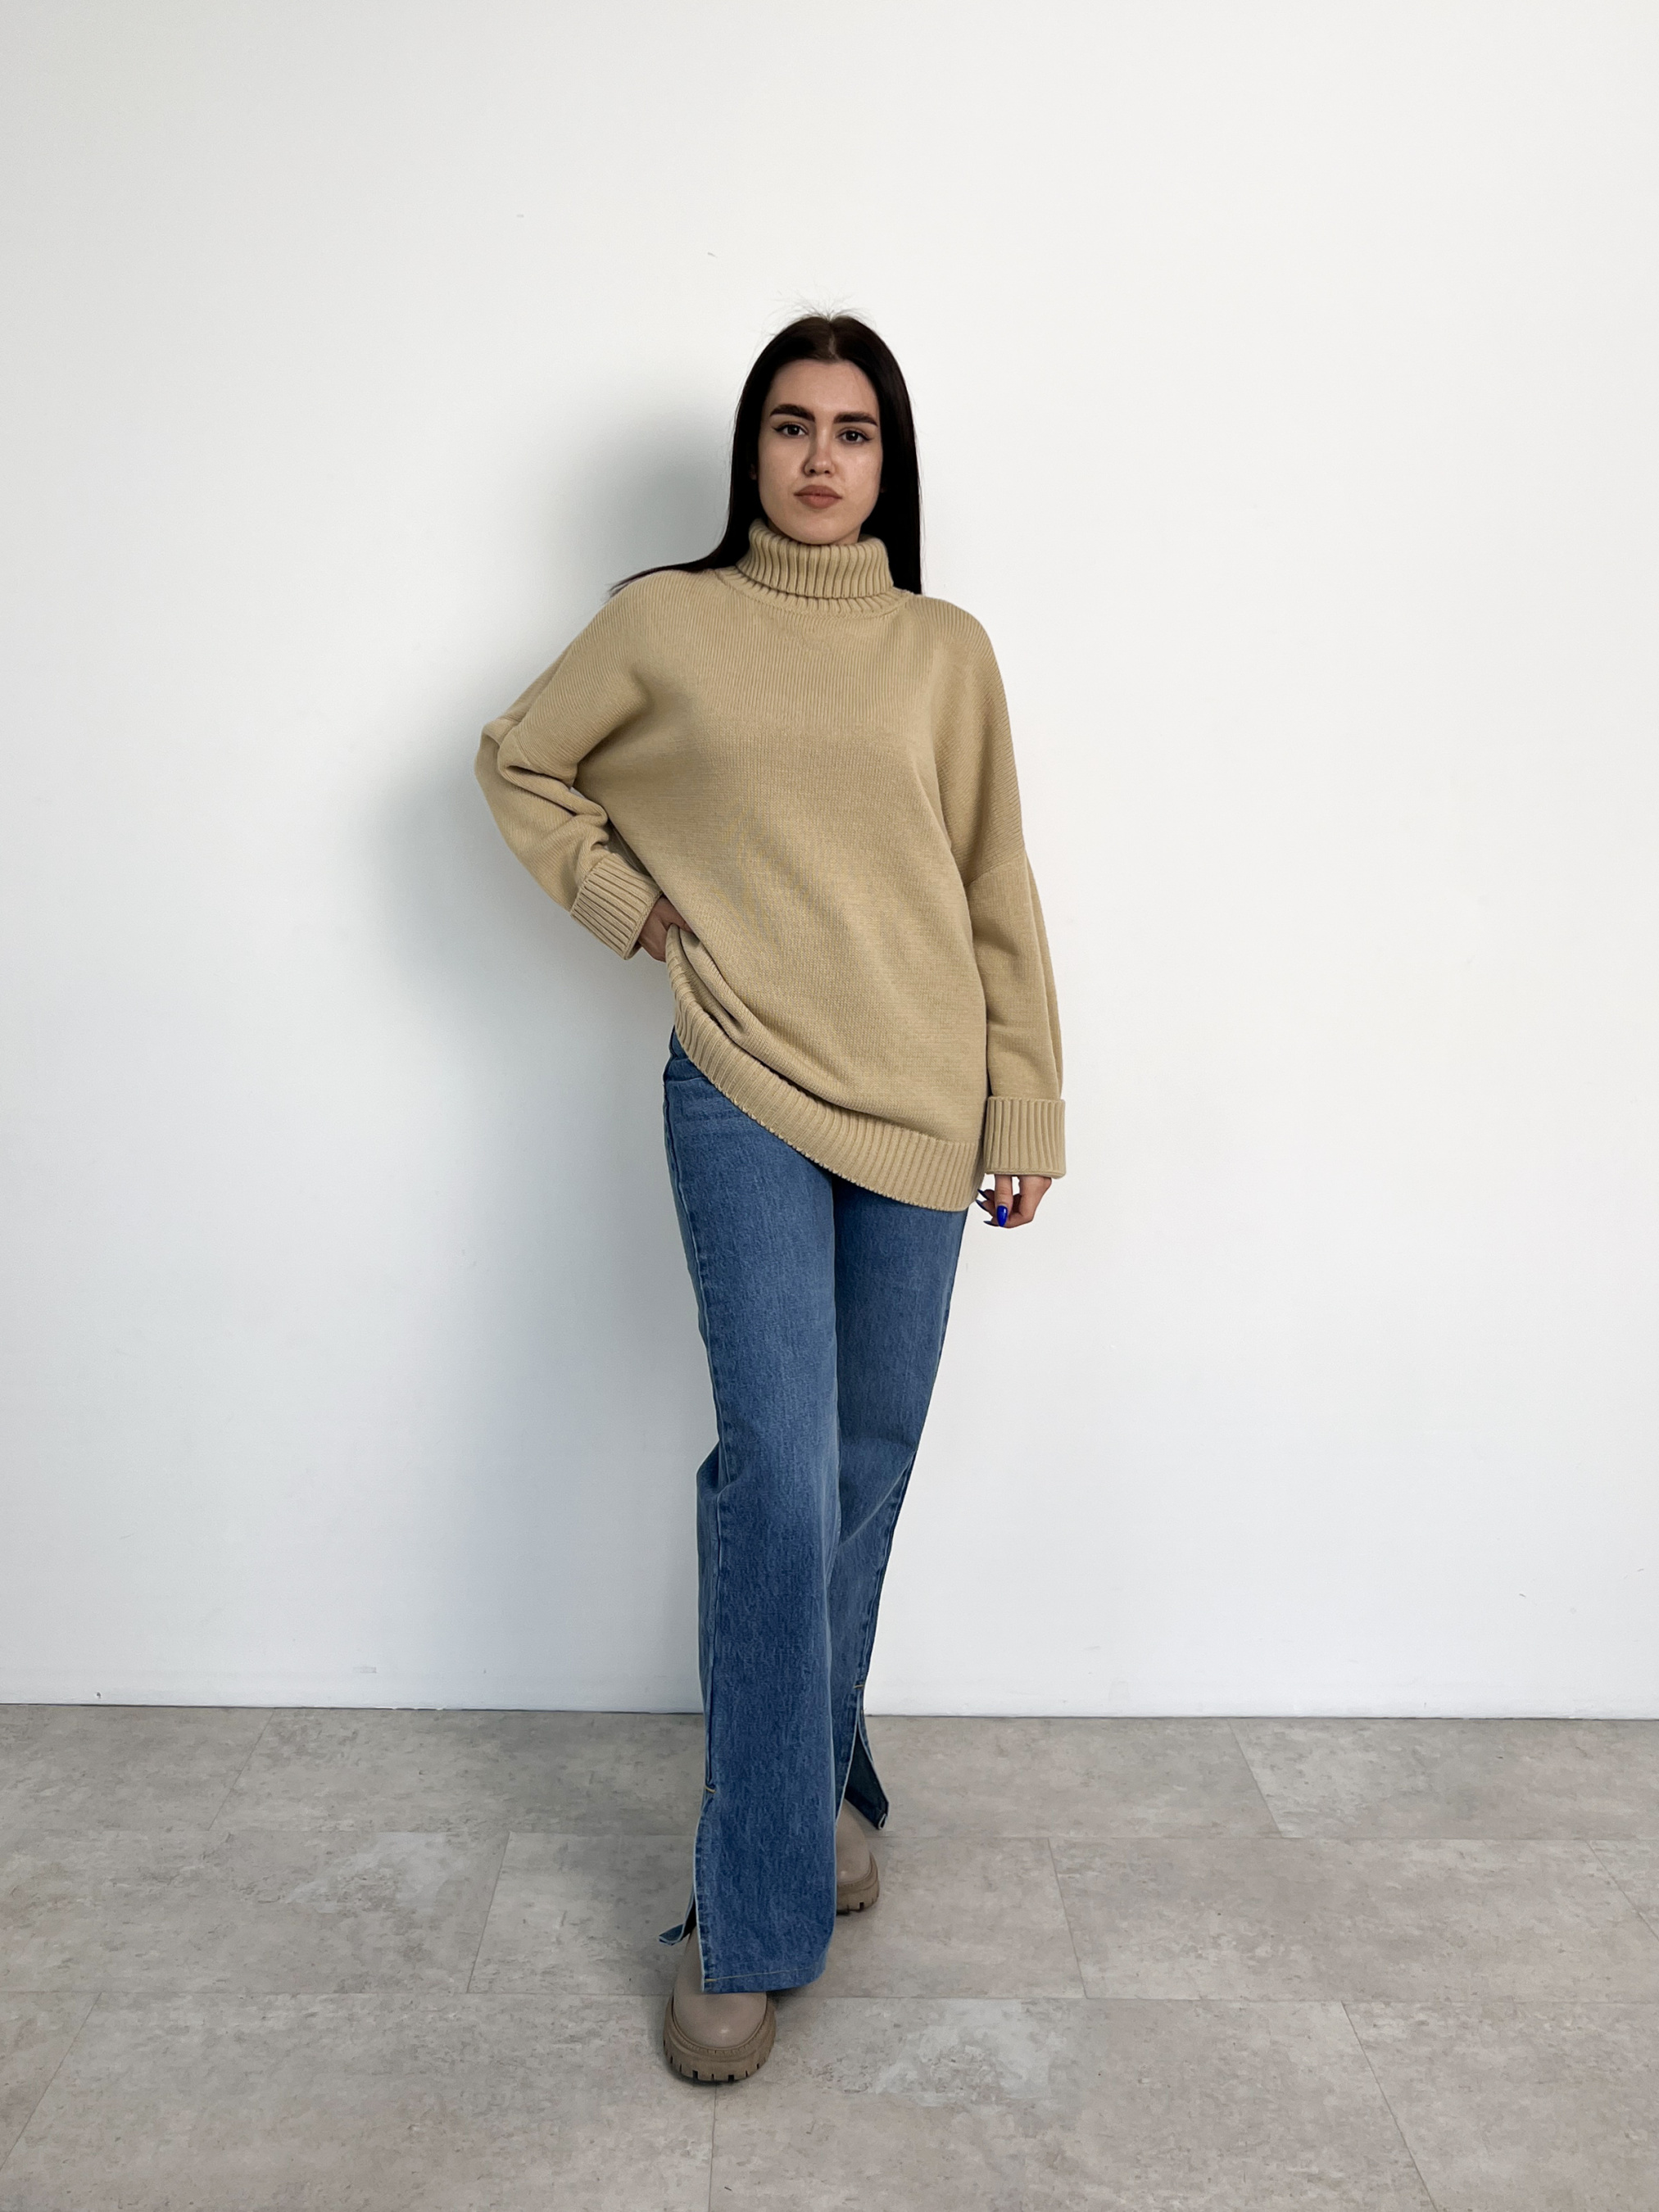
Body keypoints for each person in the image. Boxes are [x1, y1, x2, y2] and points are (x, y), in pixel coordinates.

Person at [475, 314, 1064, 2082]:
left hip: (924, 1098)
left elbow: (993, 882)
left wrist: (1024, 1099)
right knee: (782, 1483)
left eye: (854, 432)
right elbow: (518, 759)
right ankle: (743, 1913)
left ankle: (818, 1787)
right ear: (750, 447)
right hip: (737, 1083)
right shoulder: (667, 623)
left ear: (889, 461)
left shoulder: (944, 651)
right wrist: (631, 907)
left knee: (864, 1469)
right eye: (792, 426)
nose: (819, 459)